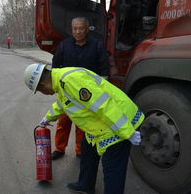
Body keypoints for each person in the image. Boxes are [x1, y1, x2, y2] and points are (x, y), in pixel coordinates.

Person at [23, 64, 144, 194]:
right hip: (102, 124)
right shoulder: (60, 81)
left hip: (119, 121)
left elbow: (103, 105)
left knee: (113, 168)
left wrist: (127, 132)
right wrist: (48, 118)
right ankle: (86, 185)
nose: (44, 94)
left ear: (43, 84)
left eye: (40, 91)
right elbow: (63, 103)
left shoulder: (70, 81)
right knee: (87, 149)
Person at [51, 17, 110, 160]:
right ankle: (59, 148)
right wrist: (57, 87)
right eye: (75, 29)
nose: (78, 31)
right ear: (72, 30)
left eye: (81, 28)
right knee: (63, 122)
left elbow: (104, 69)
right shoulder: (64, 45)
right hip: (68, 93)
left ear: (87, 29)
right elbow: (55, 67)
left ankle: (80, 150)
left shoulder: (96, 46)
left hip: (87, 94)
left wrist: (101, 89)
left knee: (82, 124)